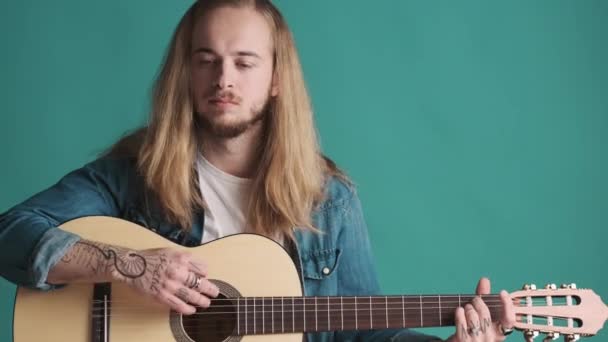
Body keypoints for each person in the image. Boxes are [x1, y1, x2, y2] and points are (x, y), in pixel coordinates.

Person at [0, 0, 515, 341]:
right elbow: (10, 234)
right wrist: (127, 265)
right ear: (186, 71)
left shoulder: (329, 201)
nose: (223, 78)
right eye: (207, 60)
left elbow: (362, 332)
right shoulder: (132, 176)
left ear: (274, 79)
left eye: (244, 62)